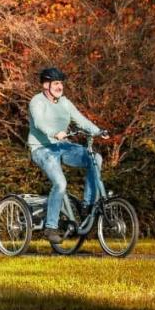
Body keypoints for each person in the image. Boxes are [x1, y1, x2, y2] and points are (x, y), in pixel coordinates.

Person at [28, 68, 107, 244]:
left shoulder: (64, 102)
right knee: (60, 183)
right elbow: (39, 122)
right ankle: (50, 227)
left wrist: (98, 131)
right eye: (56, 83)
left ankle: (87, 205)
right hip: (42, 149)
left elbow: (80, 119)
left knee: (95, 158)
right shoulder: (37, 101)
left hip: (62, 146)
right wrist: (54, 132)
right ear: (46, 85)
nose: (60, 86)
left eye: (61, 83)